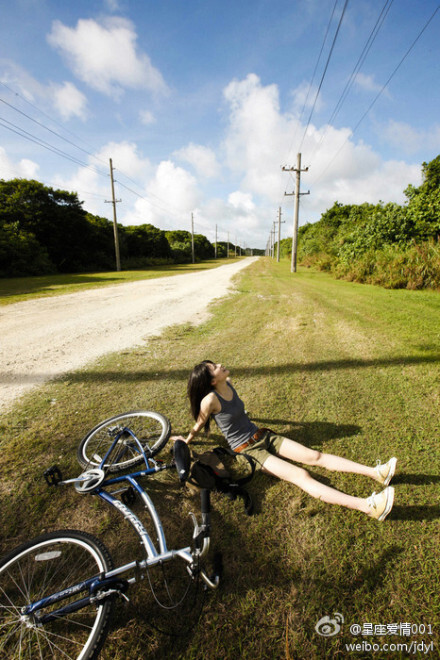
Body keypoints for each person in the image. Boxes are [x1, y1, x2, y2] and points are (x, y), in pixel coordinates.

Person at [172, 360, 396, 521]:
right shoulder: (210, 400)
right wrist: (185, 441)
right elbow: (199, 424)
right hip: (248, 451)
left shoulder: (228, 383)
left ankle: (376, 473)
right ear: (211, 381)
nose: (220, 365)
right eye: (214, 368)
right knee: (301, 475)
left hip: (263, 435)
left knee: (314, 456)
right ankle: (368, 507)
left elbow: (237, 410)